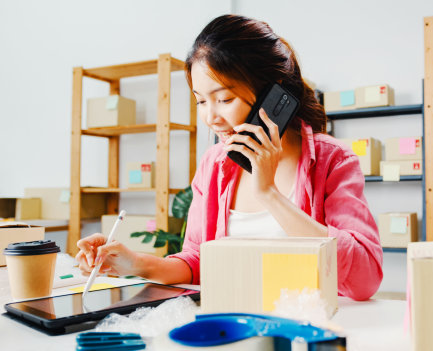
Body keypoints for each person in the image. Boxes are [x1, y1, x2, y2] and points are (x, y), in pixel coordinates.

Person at [76, 14, 383, 301]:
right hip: (229, 323)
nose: (211, 117)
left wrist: (269, 195)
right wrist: (135, 264)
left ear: (273, 96)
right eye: (201, 101)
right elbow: (197, 261)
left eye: (224, 99)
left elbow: (366, 278)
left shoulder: (332, 160)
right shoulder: (214, 164)